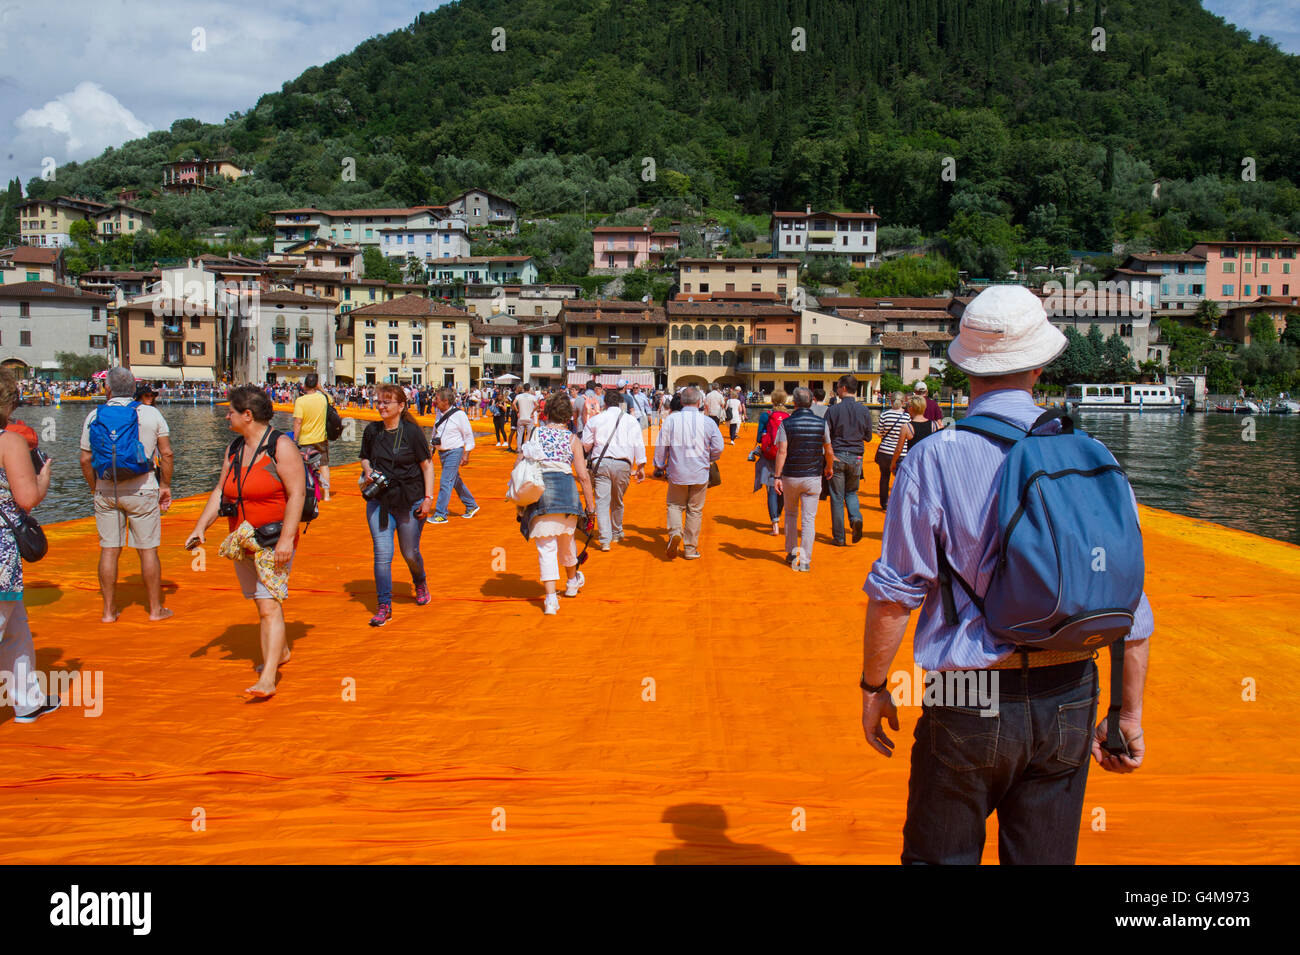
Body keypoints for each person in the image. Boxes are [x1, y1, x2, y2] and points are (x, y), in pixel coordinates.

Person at [860, 284, 1152, 864]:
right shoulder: (1096, 454)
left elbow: (896, 593)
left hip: (967, 692)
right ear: (1040, 366)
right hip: (1072, 688)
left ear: (965, 365)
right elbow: (1132, 606)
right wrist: (1128, 712)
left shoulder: (936, 455)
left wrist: (874, 688)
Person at [185, 385, 305, 698]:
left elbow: (297, 494)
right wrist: (201, 527)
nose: (227, 415)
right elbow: (219, 491)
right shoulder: (235, 448)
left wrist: (286, 541)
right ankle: (281, 650)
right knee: (261, 602)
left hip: (273, 539)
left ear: (247, 415)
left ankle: (268, 678)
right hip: (241, 538)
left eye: (231, 411)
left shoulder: (281, 446)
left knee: (268, 606)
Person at [78, 366, 174, 623]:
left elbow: (86, 459)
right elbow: (166, 454)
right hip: (142, 489)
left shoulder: (93, 416)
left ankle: (109, 612)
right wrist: (165, 484)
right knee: (147, 551)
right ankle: (155, 610)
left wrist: (94, 487)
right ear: (134, 389)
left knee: (109, 550)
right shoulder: (151, 414)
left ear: (106, 389)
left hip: (106, 489)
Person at [0, 368, 58, 722]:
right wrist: (44, 477)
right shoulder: (9, 441)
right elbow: (27, 498)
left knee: (16, 624)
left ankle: (27, 700)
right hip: (1, 550)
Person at [359, 384, 436, 627]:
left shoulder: (413, 432)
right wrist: (368, 471)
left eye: (386, 402)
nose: (380, 406)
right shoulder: (372, 431)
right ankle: (384, 605)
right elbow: (365, 457)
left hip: (410, 500)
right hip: (380, 501)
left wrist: (428, 499)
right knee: (382, 554)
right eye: (378, 401)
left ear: (400, 406)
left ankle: (420, 581)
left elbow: (427, 466)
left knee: (410, 552)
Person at [518, 392, 596, 615]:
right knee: (567, 540)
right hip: (567, 494)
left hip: (541, 493)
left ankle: (551, 599)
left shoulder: (536, 433)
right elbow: (582, 476)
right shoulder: (573, 439)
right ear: (568, 416)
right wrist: (590, 508)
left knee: (546, 548)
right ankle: (572, 583)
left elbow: (521, 461)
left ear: (547, 411)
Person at [654, 386, 723, 561]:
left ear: (682, 401)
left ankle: (675, 532)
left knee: (675, 505)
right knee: (695, 511)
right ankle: (690, 548)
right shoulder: (708, 422)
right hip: (700, 472)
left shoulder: (671, 420)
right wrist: (709, 458)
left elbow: (662, 444)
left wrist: (660, 465)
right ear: (700, 402)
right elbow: (718, 447)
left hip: (678, 471)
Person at [772, 388, 834, 572]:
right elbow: (829, 450)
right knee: (809, 519)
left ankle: (791, 553)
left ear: (795, 402)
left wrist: (777, 476)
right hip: (813, 476)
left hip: (791, 475)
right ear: (811, 402)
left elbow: (782, 452)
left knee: (791, 515)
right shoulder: (821, 423)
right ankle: (805, 560)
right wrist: (828, 467)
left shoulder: (787, 423)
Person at [582, 388, 647, 551]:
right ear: (620, 403)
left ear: (605, 403)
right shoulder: (631, 420)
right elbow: (638, 443)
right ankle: (616, 532)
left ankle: (605, 540)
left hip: (601, 462)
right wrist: (641, 466)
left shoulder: (595, 420)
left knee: (602, 501)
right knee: (617, 500)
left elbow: (586, 444)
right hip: (623, 464)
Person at [825, 374, 873, 546]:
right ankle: (855, 517)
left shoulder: (832, 410)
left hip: (837, 455)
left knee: (837, 497)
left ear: (844, 388)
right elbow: (868, 436)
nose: (837, 390)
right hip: (856, 457)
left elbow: (826, 436)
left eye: (838, 387)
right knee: (851, 492)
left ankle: (839, 538)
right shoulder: (864, 410)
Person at [428, 386, 479, 525]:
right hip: (442, 452)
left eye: (437, 399)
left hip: (454, 451)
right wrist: (431, 447)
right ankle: (471, 505)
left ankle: (441, 514)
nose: (434, 401)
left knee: (446, 481)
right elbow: (436, 431)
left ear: (445, 401)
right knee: (454, 480)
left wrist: (466, 454)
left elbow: (468, 435)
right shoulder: (439, 413)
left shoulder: (459, 415)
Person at [751, 389, 788, 536]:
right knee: (782, 488)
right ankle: (778, 514)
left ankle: (775, 523)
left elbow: (760, 438)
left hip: (769, 455)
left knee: (771, 489)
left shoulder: (766, 415)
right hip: (784, 456)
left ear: (772, 400)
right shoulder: (788, 416)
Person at [292, 372, 331, 501]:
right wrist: (321, 389)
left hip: (305, 439)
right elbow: (332, 399)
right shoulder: (323, 398)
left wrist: (295, 439)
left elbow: (298, 422)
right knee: (324, 465)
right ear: (316, 384)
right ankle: (326, 495)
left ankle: (307, 493)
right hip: (321, 438)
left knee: (304, 466)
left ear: (304, 385)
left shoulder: (300, 401)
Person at [874, 392, 909, 510]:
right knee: (900, 480)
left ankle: (884, 503)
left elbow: (880, 433)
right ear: (903, 402)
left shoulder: (885, 415)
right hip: (901, 452)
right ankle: (899, 503)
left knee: (884, 477)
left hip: (885, 451)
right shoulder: (907, 416)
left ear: (891, 401)